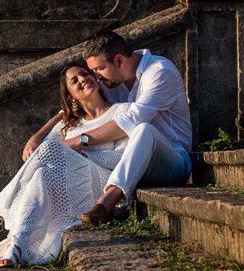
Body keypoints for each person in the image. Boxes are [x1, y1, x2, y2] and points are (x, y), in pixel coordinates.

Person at [0, 63, 130, 271]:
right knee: (41, 175)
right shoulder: (68, 124)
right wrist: (42, 136)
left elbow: (122, 158)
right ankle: (18, 246)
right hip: (68, 186)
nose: (83, 79)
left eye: (85, 73)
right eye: (75, 80)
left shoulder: (122, 111)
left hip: (101, 185)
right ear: (71, 97)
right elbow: (41, 156)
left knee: (50, 149)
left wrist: (87, 154)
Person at [64, 30, 192, 223]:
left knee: (143, 129)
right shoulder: (113, 80)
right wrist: (38, 136)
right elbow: (76, 105)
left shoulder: (160, 71)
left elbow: (133, 120)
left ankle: (109, 201)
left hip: (172, 162)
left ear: (118, 61)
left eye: (99, 69)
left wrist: (79, 141)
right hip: (131, 163)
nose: (96, 77)